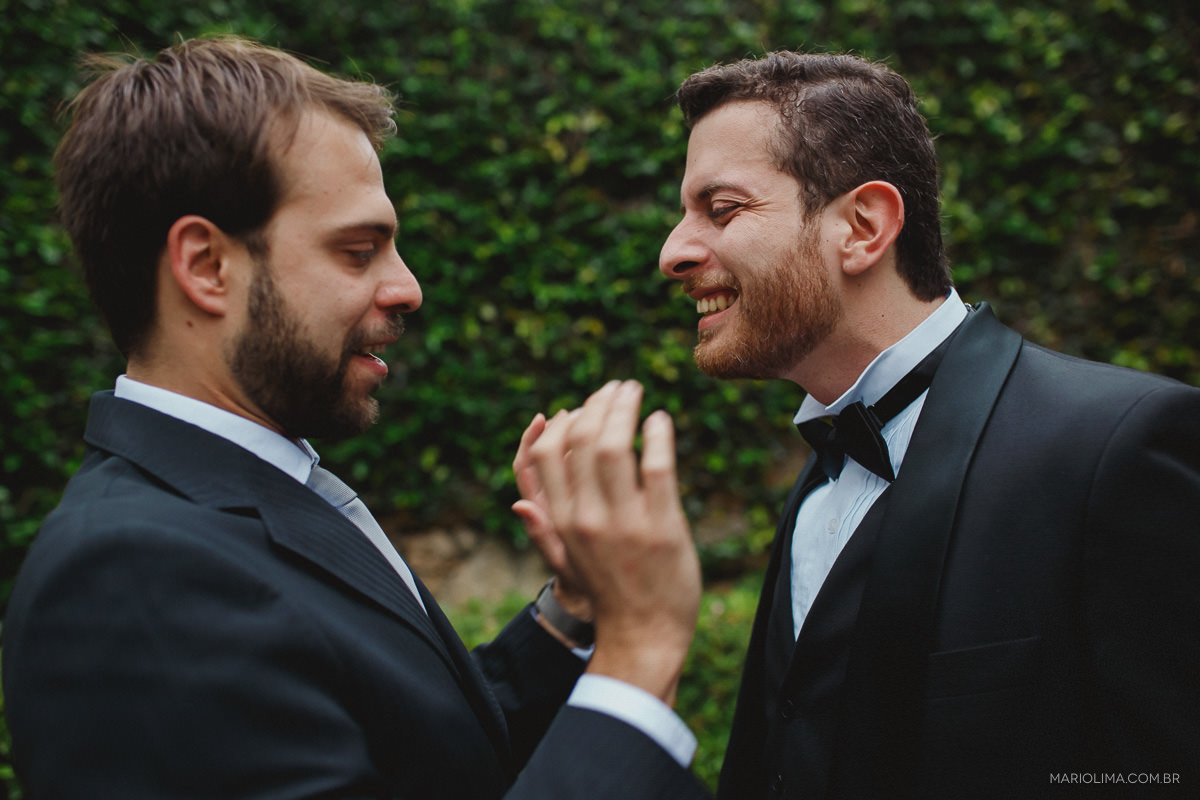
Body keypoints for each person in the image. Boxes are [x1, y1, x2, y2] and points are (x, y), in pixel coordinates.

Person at [1, 36, 709, 799]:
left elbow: (425, 754)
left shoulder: (254, 490)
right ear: (206, 267)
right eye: (359, 249)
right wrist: (638, 656)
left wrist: (574, 612)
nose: (406, 288)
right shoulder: (130, 576)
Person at [518, 52, 1199, 798]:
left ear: (864, 227)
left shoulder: (1119, 444)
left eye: (722, 209)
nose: (671, 252)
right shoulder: (822, 473)